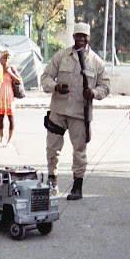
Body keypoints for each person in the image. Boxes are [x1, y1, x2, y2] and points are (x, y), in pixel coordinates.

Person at [41, 22, 110, 200]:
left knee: (79, 150)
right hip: (58, 111)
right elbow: (45, 77)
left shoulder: (96, 62)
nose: (81, 39)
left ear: (88, 38)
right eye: (78, 35)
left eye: (84, 36)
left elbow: (105, 87)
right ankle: (52, 181)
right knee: (52, 148)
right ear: (73, 37)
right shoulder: (62, 56)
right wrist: (55, 86)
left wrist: (93, 93)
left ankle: (77, 186)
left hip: (80, 113)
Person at [0, 50, 23, 146]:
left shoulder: (11, 69)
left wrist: (10, 73)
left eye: (8, 58)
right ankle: (1, 138)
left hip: (9, 94)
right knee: (0, 117)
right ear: (1, 58)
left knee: (10, 117)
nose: (6, 60)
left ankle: (9, 140)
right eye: (5, 57)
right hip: (0, 94)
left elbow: (19, 80)